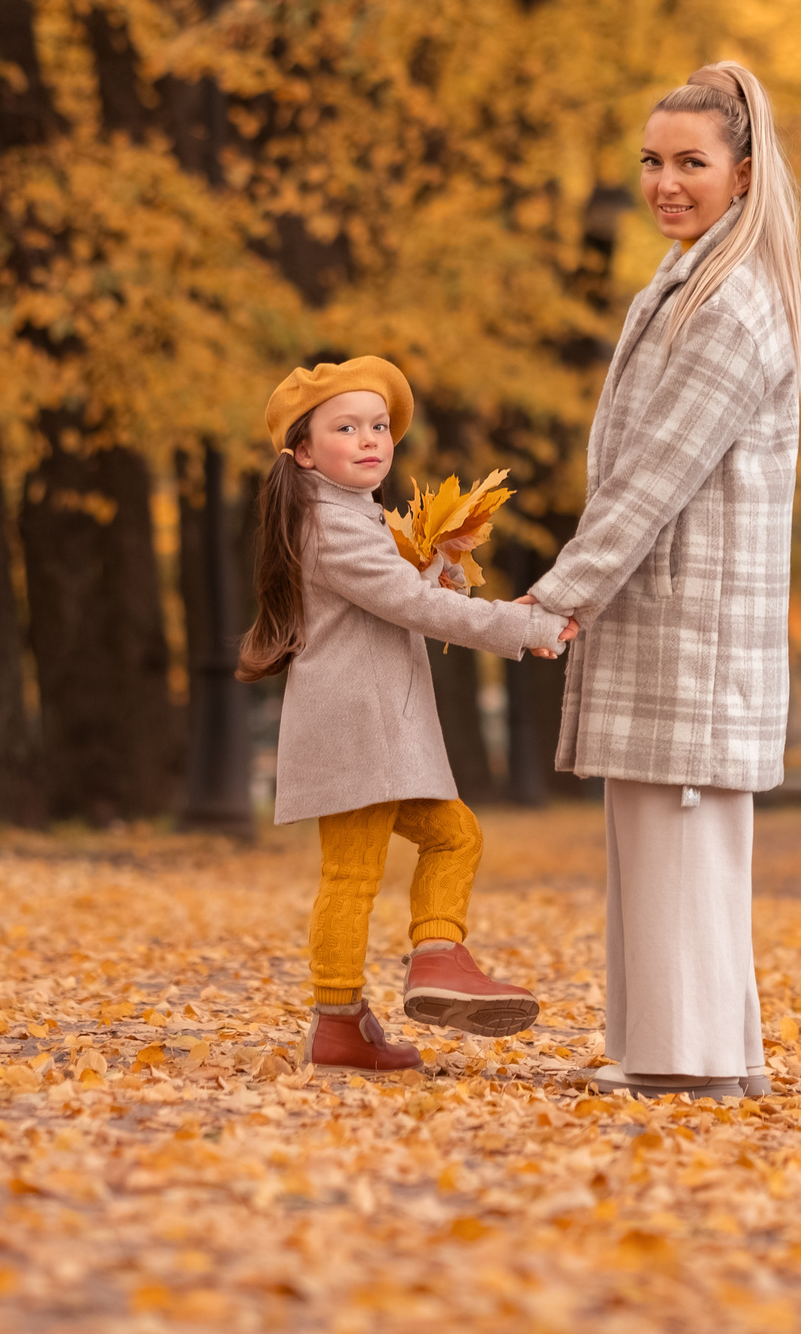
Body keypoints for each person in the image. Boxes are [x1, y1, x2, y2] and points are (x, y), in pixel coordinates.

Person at [524, 62, 801, 1098]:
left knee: (679, 832)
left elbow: (652, 481)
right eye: (651, 161)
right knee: (656, 834)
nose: (665, 182)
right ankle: (682, 1051)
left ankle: (688, 1061)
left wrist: (558, 599)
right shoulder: (691, 280)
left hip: (690, 620)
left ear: (743, 172)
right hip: (668, 614)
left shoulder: (728, 305)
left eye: (691, 162)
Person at [238, 356, 578, 1073]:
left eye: (379, 425)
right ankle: (358, 1009)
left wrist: (443, 560)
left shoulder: (346, 516)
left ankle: (426, 963)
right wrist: (522, 627)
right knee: (356, 873)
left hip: (372, 725)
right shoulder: (333, 524)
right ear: (303, 451)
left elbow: (400, 592)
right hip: (361, 728)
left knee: (450, 836)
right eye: (346, 426)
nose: (371, 438)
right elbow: (411, 606)